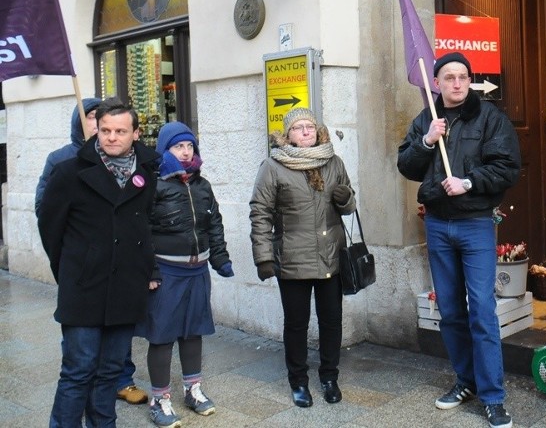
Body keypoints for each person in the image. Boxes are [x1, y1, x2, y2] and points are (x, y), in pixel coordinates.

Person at [397, 52, 521, 428]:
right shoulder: (426, 119)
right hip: (437, 224)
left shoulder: (490, 118)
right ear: (436, 83)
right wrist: (427, 141)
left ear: (470, 81)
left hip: (475, 224)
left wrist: (468, 182)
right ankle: (465, 381)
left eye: (462, 77)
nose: (455, 83)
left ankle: (493, 397)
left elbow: (506, 167)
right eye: (448, 77)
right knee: (450, 310)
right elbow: (406, 165)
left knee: (482, 309)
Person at [38, 98, 160, 427]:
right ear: (95, 130)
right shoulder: (69, 172)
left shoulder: (148, 171)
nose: (111, 137)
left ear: (135, 133)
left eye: (120, 131)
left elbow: (147, 226)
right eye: (104, 129)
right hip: (84, 288)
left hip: (126, 288)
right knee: (78, 372)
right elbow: (50, 228)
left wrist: (145, 268)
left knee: (109, 374)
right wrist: (75, 270)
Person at [249, 108, 356, 408]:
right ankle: (298, 381)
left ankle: (329, 377)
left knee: (332, 321)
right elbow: (260, 213)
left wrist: (346, 198)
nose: (306, 131)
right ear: (288, 135)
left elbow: (349, 206)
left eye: (311, 126)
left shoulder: (333, 162)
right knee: (296, 324)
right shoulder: (273, 166)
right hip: (293, 260)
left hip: (331, 258)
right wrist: (263, 257)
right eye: (299, 128)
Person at [140, 122, 234, 427]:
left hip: (198, 270)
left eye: (189, 146)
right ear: (165, 150)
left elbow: (213, 224)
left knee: (193, 331)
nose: (185, 151)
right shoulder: (153, 183)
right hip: (167, 272)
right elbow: (140, 232)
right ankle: (160, 399)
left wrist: (220, 258)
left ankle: (193, 389)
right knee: (163, 335)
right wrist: (150, 269)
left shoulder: (202, 185)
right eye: (178, 146)